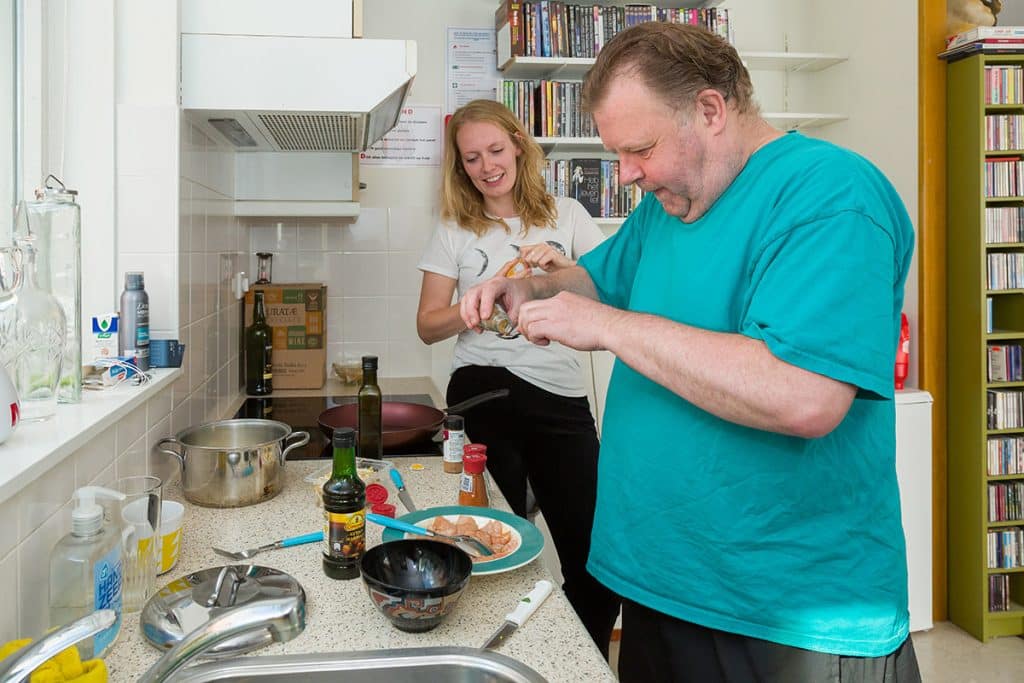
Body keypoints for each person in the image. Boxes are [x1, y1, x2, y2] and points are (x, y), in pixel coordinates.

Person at [459, 23, 921, 683]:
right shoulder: (667, 207)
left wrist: (609, 326)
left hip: (784, 616)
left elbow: (805, 394)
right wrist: (523, 286)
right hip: (660, 587)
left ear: (710, 110)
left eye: (640, 148)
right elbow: (594, 278)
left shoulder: (831, 195)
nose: (627, 173)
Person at [415, 98, 621, 657]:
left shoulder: (569, 215)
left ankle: (581, 662)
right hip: (483, 393)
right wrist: (480, 302)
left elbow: (612, 290)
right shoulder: (455, 228)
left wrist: (558, 271)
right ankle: (497, 659)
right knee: (487, 546)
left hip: (561, 397)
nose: (486, 166)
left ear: (519, 145)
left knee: (595, 556)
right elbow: (427, 325)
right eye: (472, 158)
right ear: (462, 168)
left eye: (496, 150)